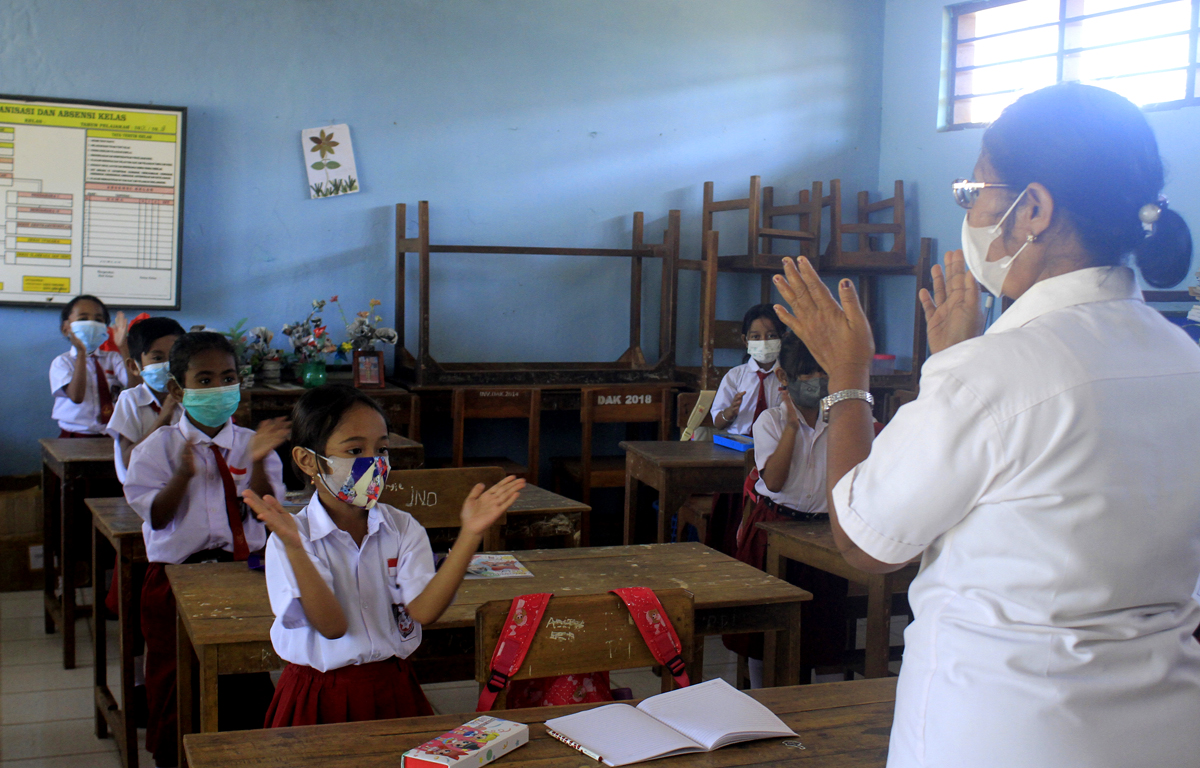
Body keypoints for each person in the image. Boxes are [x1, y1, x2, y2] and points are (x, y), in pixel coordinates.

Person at [772, 82, 1200, 767]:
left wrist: (847, 380)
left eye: (977, 192)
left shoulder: (998, 372)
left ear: (1033, 208)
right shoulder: (1183, 358)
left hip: (1007, 729)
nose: (968, 211)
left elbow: (865, 540)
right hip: (1166, 728)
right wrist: (954, 366)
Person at [245, 384, 524, 727]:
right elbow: (332, 628)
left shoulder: (402, 528)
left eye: (381, 449)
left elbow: (423, 610)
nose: (373, 463)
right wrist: (295, 548)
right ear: (308, 460)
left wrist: (470, 534)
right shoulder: (292, 538)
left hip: (392, 687)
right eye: (355, 449)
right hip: (319, 694)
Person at [124, 331, 290, 767]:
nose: (219, 388)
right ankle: (175, 756)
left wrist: (255, 460)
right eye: (205, 379)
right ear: (179, 389)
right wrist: (181, 476)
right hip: (177, 581)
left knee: (246, 675)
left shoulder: (252, 444)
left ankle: (245, 755)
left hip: (243, 575)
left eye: (228, 376)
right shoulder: (155, 449)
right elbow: (157, 518)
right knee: (175, 680)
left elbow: (263, 512)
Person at [107, 317, 186, 483]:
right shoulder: (131, 400)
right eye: (157, 358)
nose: (169, 365)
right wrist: (164, 416)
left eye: (175, 356)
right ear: (135, 367)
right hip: (144, 492)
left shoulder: (191, 398)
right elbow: (128, 461)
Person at [49, 294, 134, 437]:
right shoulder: (62, 362)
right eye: (83, 319)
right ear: (66, 328)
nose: (91, 324)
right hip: (74, 435)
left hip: (112, 434)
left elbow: (135, 388)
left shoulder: (113, 358)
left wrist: (123, 347)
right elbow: (76, 397)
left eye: (98, 320)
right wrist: (82, 353)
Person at [710, 303, 787, 435]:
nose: (763, 342)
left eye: (771, 336)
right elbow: (718, 423)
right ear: (746, 341)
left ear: (782, 338)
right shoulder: (734, 376)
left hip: (778, 444)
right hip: (739, 444)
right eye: (756, 337)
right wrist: (730, 412)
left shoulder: (789, 376)